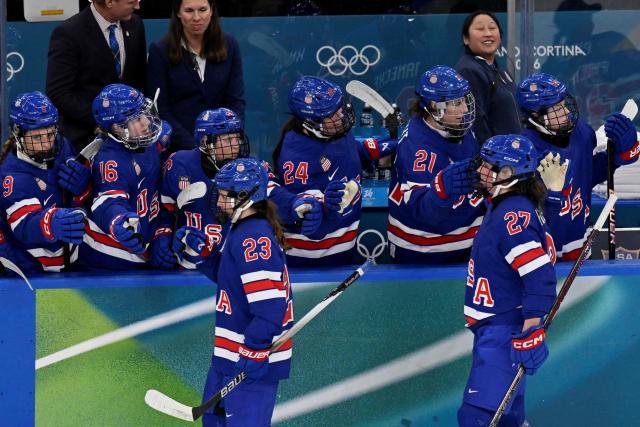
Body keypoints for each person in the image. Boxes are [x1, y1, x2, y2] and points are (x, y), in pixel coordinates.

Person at [173, 157, 293, 426]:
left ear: (246, 197)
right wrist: (204, 257)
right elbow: (231, 281)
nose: (217, 203)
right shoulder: (238, 228)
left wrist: (255, 349)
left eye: (224, 196)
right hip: (228, 356)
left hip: (249, 358)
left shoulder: (254, 238)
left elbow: (271, 307)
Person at [459, 134, 557, 427]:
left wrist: (531, 329)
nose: (480, 171)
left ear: (508, 174)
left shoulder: (511, 213)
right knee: (509, 416)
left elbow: (539, 275)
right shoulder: (507, 206)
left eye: (488, 166)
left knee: (477, 417)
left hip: (503, 331)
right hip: (499, 326)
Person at [270, 75, 396, 266]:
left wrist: (380, 149)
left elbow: (350, 153)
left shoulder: (333, 131)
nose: (340, 117)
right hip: (311, 260)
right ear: (309, 123)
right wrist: (324, 209)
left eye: (339, 108)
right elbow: (312, 223)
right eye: (331, 114)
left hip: (343, 250)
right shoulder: (295, 160)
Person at [516, 72, 639, 261]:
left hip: (581, 246)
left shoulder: (581, 132)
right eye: (556, 108)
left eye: (563, 103)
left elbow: (588, 174)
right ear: (535, 116)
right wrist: (553, 194)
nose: (565, 111)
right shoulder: (524, 152)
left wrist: (620, 153)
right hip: (540, 254)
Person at [387, 65, 484, 264]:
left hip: (468, 245)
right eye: (456, 103)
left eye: (464, 100)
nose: (465, 109)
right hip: (424, 250)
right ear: (435, 107)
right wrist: (441, 191)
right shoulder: (418, 150)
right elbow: (425, 213)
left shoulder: (458, 125)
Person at [0, 92, 90, 273]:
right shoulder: (11, 176)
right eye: (37, 138)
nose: (46, 144)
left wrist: (83, 188)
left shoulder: (62, 146)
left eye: (49, 134)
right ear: (18, 133)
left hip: (73, 259)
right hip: (32, 267)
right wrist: (49, 222)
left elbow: (78, 201)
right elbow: (24, 226)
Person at [78, 83, 165, 270]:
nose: (146, 123)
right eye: (136, 119)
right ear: (117, 128)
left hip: (145, 243)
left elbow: (164, 134)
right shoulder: (110, 160)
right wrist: (119, 220)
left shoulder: (146, 141)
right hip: (111, 254)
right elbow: (109, 201)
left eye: (144, 113)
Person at [152, 107, 249, 270]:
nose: (235, 146)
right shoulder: (179, 164)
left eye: (236, 139)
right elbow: (164, 209)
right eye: (227, 140)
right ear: (205, 142)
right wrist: (162, 235)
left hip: (233, 265)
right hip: (188, 264)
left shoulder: (251, 171)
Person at [46, 0, 147, 152]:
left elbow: (139, 80)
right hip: (86, 141)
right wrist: (106, 120)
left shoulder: (136, 25)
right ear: (110, 2)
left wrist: (136, 119)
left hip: (130, 140)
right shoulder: (69, 33)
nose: (138, 5)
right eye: (131, 2)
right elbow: (58, 92)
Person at [147, 0, 245, 151]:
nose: (197, 17)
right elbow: (161, 111)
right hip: (179, 149)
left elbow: (235, 101)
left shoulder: (229, 45)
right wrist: (196, 148)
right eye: (189, 11)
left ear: (211, 10)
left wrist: (229, 138)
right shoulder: (160, 51)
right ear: (178, 13)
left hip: (223, 146)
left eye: (202, 9)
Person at [455, 10, 520, 146]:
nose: (488, 33)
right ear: (465, 38)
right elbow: (476, 123)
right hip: (496, 160)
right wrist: (492, 159)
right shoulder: (469, 70)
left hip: (515, 155)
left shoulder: (500, 70)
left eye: (492, 28)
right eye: (480, 28)